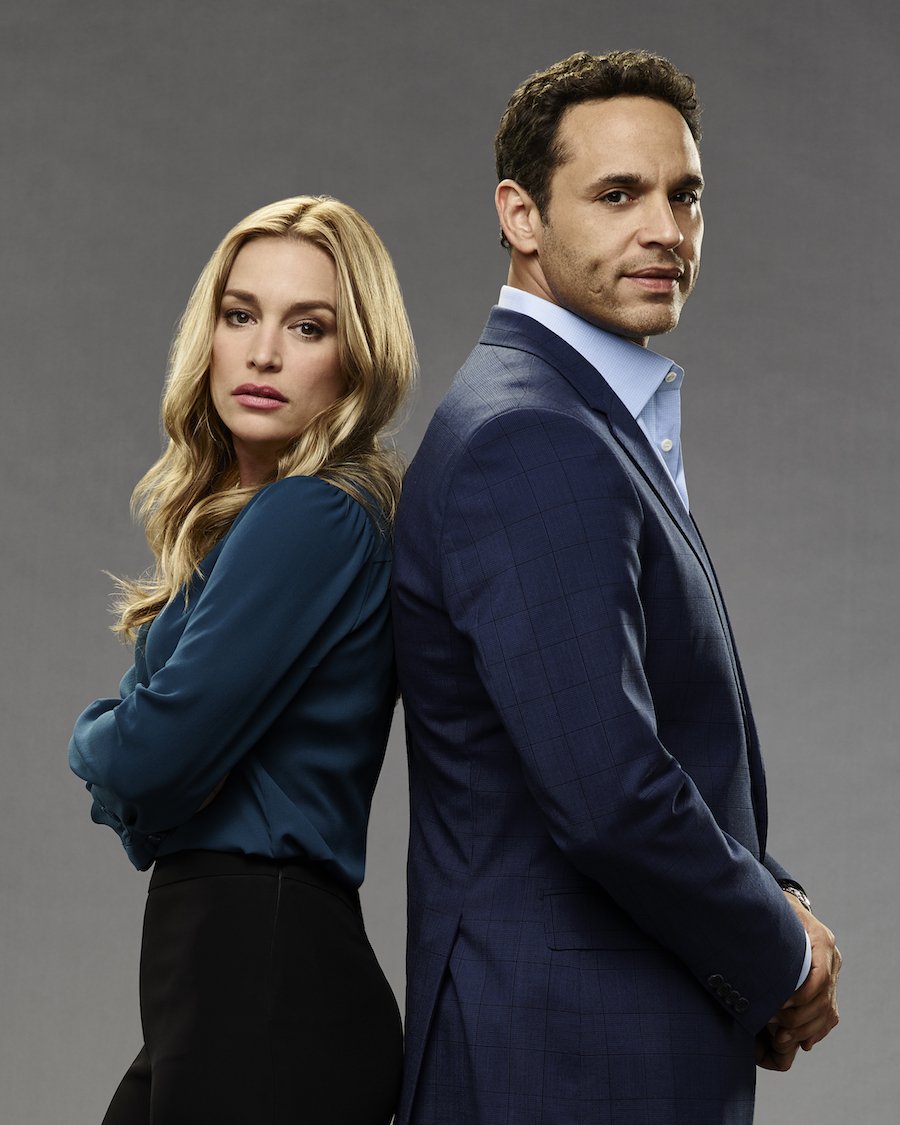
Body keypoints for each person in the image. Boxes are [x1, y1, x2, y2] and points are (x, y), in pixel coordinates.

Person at [392, 51, 841, 1124]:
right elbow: (608, 795)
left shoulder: (565, 413)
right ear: (521, 215)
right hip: (566, 1063)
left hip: (582, 1049)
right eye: (618, 194)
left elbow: (653, 742)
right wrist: (781, 952)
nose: (665, 229)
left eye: (685, 195)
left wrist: (769, 892)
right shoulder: (531, 435)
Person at [69, 195, 416, 1125]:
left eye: (308, 327)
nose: (263, 353)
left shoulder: (313, 514)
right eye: (240, 314)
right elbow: (161, 776)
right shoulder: (270, 523)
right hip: (229, 972)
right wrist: (152, 770)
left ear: (357, 359)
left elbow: (148, 757)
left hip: (264, 968)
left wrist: (96, 738)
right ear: (210, 335)